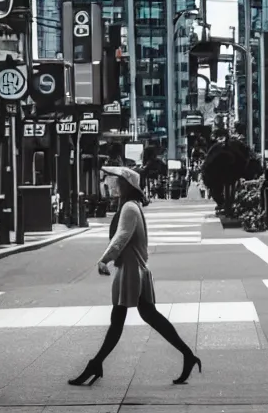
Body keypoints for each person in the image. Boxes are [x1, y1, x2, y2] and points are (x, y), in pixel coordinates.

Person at [67, 165, 203, 387]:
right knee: (144, 317)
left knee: (120, 320)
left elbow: (121, 236)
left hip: (132, 271)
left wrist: (104, 259)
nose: (114, 185)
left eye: (118, 182)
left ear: (127, 186)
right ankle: (187, 355)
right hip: (135, 269)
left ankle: (96, 364)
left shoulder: (129, 208)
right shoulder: (132, 206)